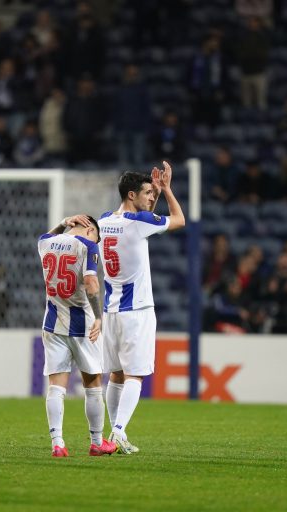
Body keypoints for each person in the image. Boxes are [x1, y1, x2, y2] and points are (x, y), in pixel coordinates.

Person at [98, 162, 185, 453]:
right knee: (135, 374)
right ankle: (119, 432)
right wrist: (168, 190)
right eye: (147, 193)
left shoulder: (104, 220)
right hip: (137, 310)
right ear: (132, 195)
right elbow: (179, 220)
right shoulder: (139, 223)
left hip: (111, 311)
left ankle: (113, 434)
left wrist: (155, 193)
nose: (152, 197)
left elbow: (144, 216)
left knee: (116, 374)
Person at [37, 214, 117, 457]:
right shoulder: (88, 246)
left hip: (52, 323)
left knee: (56, 387)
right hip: (82, 325)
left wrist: (64, 222)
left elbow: (50, 234)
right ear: (90, 229)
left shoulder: (45, 242)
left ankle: (58, 444)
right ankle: (96, 442)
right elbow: (91, 283)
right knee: (93, 384)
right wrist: (98, 316)